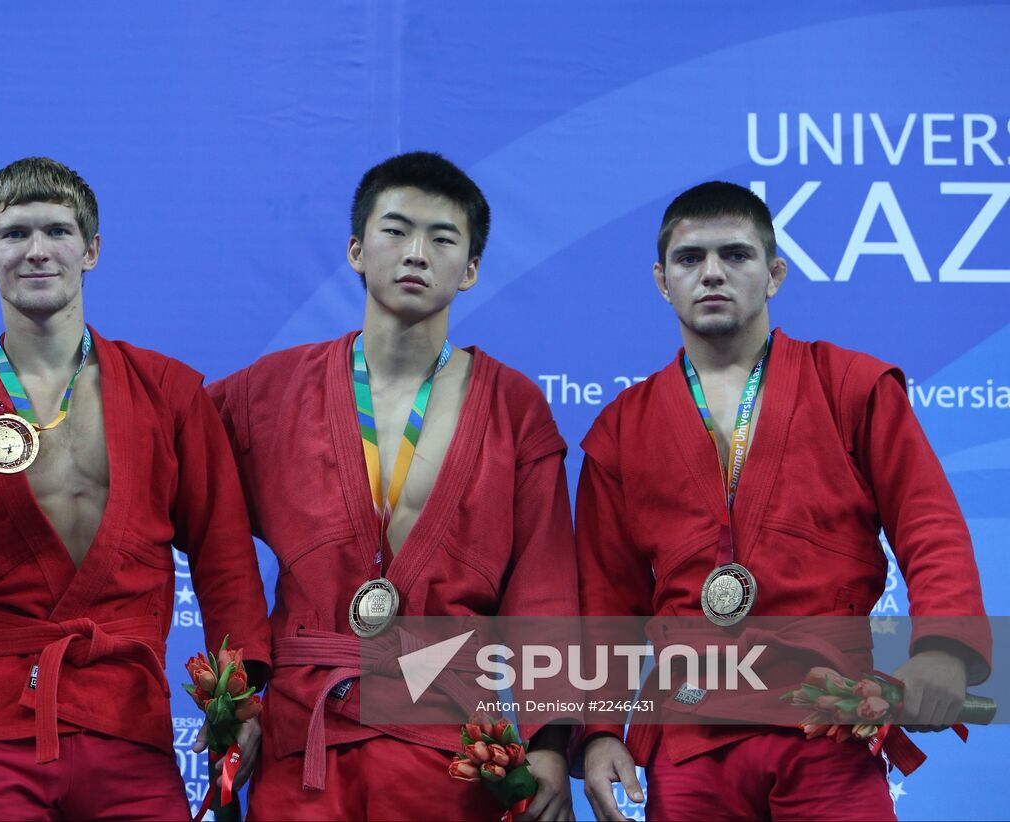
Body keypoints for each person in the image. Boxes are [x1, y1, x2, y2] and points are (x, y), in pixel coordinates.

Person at [0, 156, 271, 820]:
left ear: (92, 249)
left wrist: (241, 696)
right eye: (15, 234)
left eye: (57, 230)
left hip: (131, 723)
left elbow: (226, 561)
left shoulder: (170, 392)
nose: (38, 250)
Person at [576, 181, 990, 821]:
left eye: (736, 255)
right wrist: (600, 728)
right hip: (687, 740)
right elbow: (605, 601)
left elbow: (928, 523)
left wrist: (944, 647)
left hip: (828, 726)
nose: (712, 272)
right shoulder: (620, 430)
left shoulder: (851, 386)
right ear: (662, 280)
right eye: (690, 259)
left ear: (774, 274)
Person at [208, 151, 577, 821]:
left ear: (469, 270)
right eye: (396, 231)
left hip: (453, 749)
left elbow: (545, 590)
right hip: (304, 740)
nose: (416, 253)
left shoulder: (515, 407)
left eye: (442, 239)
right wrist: (239, 685)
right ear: (356, 249)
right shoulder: (267, 391)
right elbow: (165, 471)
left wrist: (552, 741)